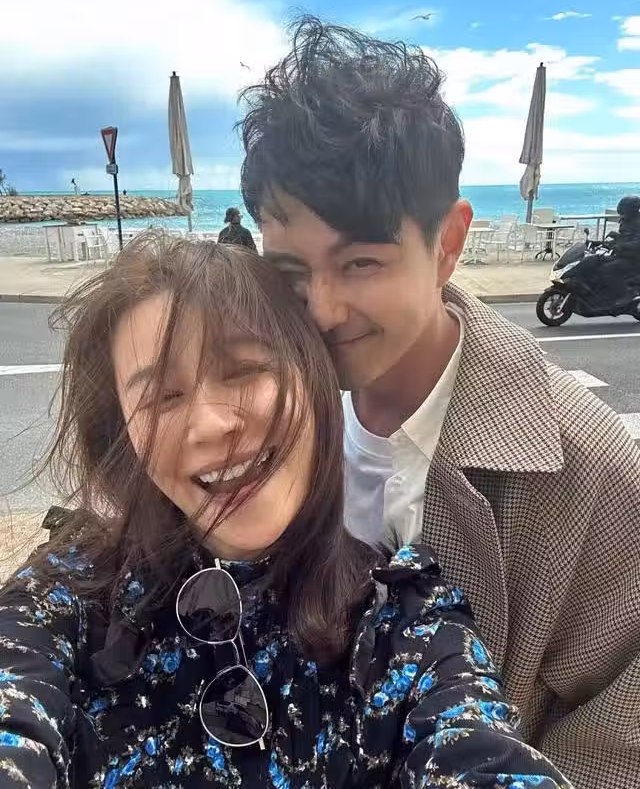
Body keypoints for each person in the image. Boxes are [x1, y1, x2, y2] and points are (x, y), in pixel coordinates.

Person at [0, 233, 572, 788]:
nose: (210, 425)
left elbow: (473, 747)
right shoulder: (71, 594)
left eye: (245, 369)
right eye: (162, 397)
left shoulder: (401, 624)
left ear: (312, 378)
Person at [239, 16, 640, 788]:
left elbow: (621, 743)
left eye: (361, 263)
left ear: (449, 243)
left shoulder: (585, 470)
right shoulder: (260, 417)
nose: (322, 309)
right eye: (290, 271)